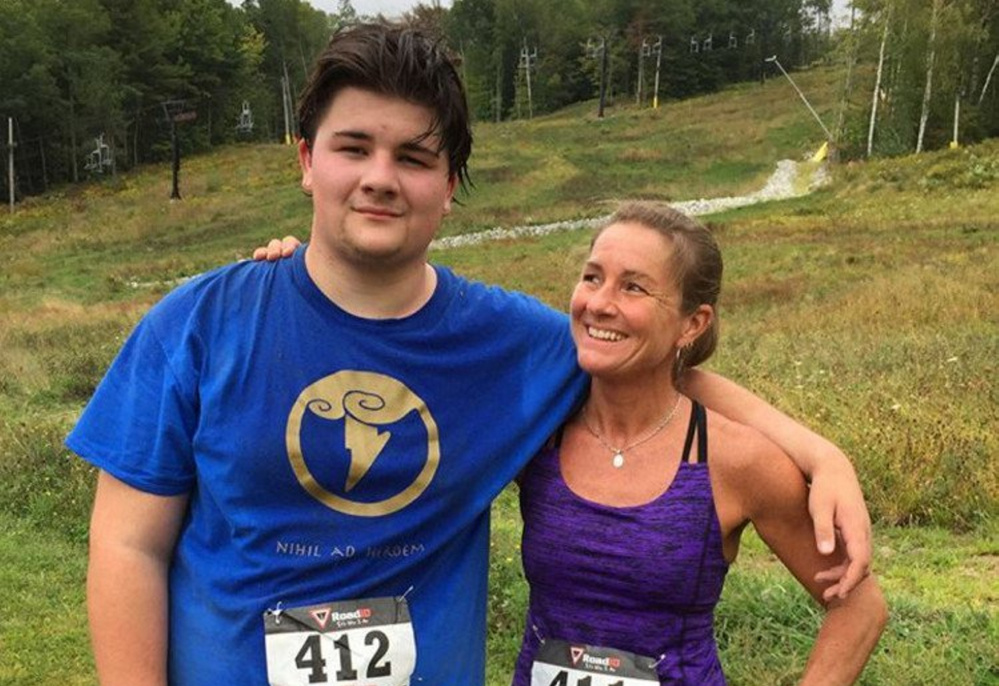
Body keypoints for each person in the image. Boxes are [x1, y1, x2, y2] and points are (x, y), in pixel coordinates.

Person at [69, 22, 869, 686]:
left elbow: (655, 371)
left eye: (413, 158)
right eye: (353, 147)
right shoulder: (197, 324)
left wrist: (817, 453)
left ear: (449, 184)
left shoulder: (511, 343)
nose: (380, 178)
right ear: (307, 160)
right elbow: (128, 544)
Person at [511, 202, 886, 685]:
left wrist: (826, 458)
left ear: (693, 323)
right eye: (591, 277)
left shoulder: (734, 458)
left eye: (633, 286)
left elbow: (859, 607)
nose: (599, 303)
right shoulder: (537, 430)